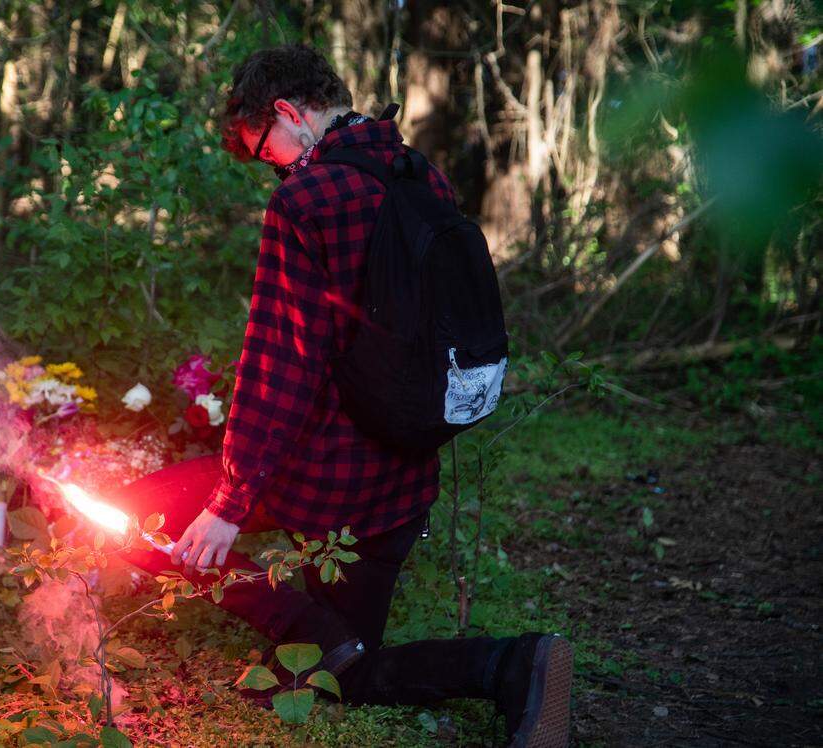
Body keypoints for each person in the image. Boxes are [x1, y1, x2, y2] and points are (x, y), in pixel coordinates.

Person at [108, 45, 571, 746]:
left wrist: (230, 506)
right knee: (346, 670)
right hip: (398, 489)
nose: (273, 166)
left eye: (264, 148)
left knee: (133, 517)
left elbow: (281, 366)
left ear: (289, 113)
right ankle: (510, 664)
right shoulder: (422, 176)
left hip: (315, 480)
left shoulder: (305, 200)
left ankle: (308, 628)